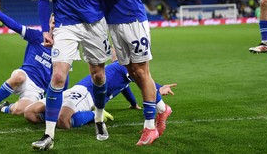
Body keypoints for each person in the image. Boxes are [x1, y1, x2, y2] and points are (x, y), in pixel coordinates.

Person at [61, 0, 161, 145]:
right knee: (131, 72)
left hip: (132, 19)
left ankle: (150, 126)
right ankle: (162, 107)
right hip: (113, 23)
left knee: (142, 72)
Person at [33, 0, 111, 151]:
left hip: (95, 23)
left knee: (98, 75)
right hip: (65, 25)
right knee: (58, 76)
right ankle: (49, 135)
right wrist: (46, 28)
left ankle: (98, 117)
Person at [22, 52, 175, 137]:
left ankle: (94, 114)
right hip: (77, 90)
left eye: (117, 49)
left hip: (87, 95)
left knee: (63, 121)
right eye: (114, 49)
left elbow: (135, 83)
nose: (114, 51)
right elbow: (133, 84)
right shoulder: (120, 68)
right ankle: (85, 114)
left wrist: (155, 90)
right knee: (29, 112)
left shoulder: (124, 67)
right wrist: (137, 101)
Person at [0, 0, 65, 118]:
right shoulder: (36, 36)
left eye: (59, 23)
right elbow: (15, 26)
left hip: (37, 88)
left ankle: (4, 107)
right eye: (54, 22)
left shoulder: (63, 49)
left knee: (19, 110)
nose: (55, 26)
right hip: (25, 75)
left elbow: (64, 78)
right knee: (18, 76)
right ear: (49, 22)